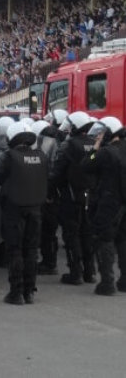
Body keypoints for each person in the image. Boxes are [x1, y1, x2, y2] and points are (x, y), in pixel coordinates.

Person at [0, 121, 48, 305]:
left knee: (14, 250)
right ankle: (29, 291)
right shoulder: (41, 155)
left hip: (14, 209)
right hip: (36, 208)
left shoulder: (9, 156)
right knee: (31, 250)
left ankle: (16, 292)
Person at [50, 111, 96, 285]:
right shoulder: (93, 145)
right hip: (89, 195)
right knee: (87, 234)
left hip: (70, 196)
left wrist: (49, 190)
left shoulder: (68, 146)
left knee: (71, 235)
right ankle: (90, 272)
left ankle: (75, 272)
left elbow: (57, 172)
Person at [82, 117, 126, 295]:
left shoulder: (106, 152)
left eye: (101, 133)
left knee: (104, 239)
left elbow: (86, 164)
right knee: (123, 240)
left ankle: (107, 282)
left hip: (109, 201)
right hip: (123, 200)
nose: (98, 136)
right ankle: (124, 281)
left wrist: (95, 148)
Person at [32, 120, 60, 275]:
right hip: (56, 195)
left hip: (47, 195)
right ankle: (50, 261)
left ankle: (49, 262)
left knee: (46, 232)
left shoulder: (47, 148)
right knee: (49, 232)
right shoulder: (59, 145)